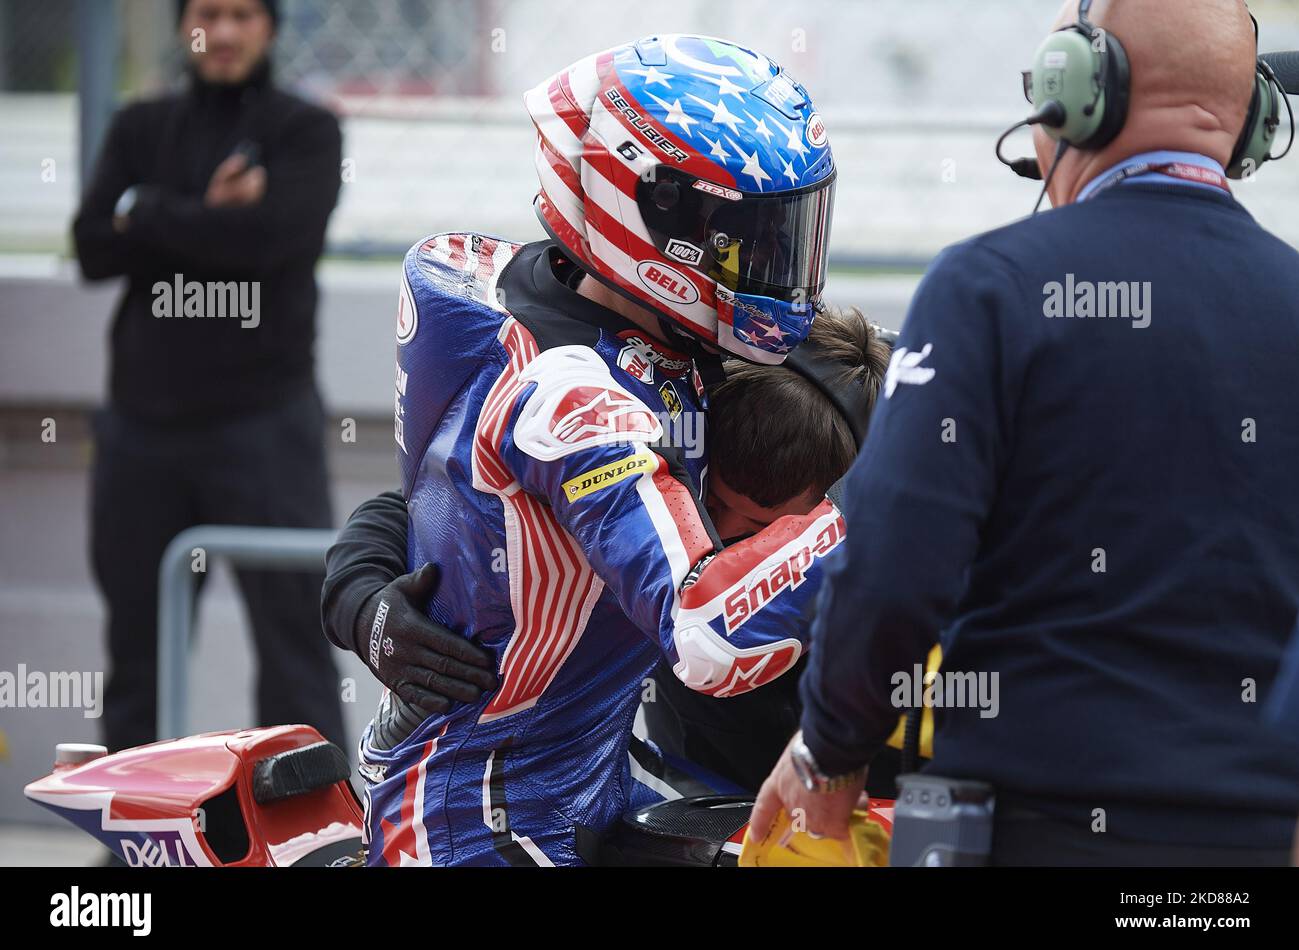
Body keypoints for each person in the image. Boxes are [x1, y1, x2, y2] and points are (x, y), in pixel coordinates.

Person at [751, 0, 1299, 865]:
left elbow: (896, 567)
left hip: (1035, 825)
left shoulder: (989, 291)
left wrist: (830, 749)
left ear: (1079, 93)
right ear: (1250, 122)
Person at [332, 35, 845, 866]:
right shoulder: (575, 392)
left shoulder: (642, 319)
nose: (780, 268)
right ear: (659, 211)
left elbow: (470, 496)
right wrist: (880, 518)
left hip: (600, 780)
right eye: (753, 236)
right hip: (484, 820)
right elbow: (710, 634)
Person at [322, 308, 897, 799]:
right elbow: (436, 497)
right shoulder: (661, 425)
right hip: (692, 777)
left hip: (878, 790)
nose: (720, 532)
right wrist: (362, 600)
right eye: (710, 500)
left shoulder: (914, 516)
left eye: (759, 526)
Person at [72, 0, 346, 754]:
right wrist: (201, 215)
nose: (222, 33)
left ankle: (311, 834)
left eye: (242, 15)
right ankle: (133, 841)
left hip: (264, 425)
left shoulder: (306, 130)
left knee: (294, 643)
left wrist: (147, 216)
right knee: (138, 648)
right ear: (182, 26)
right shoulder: (140, 128)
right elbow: (92, 247)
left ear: (270, 27)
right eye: (206, 14)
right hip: (140, 432)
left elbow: (275, 240)